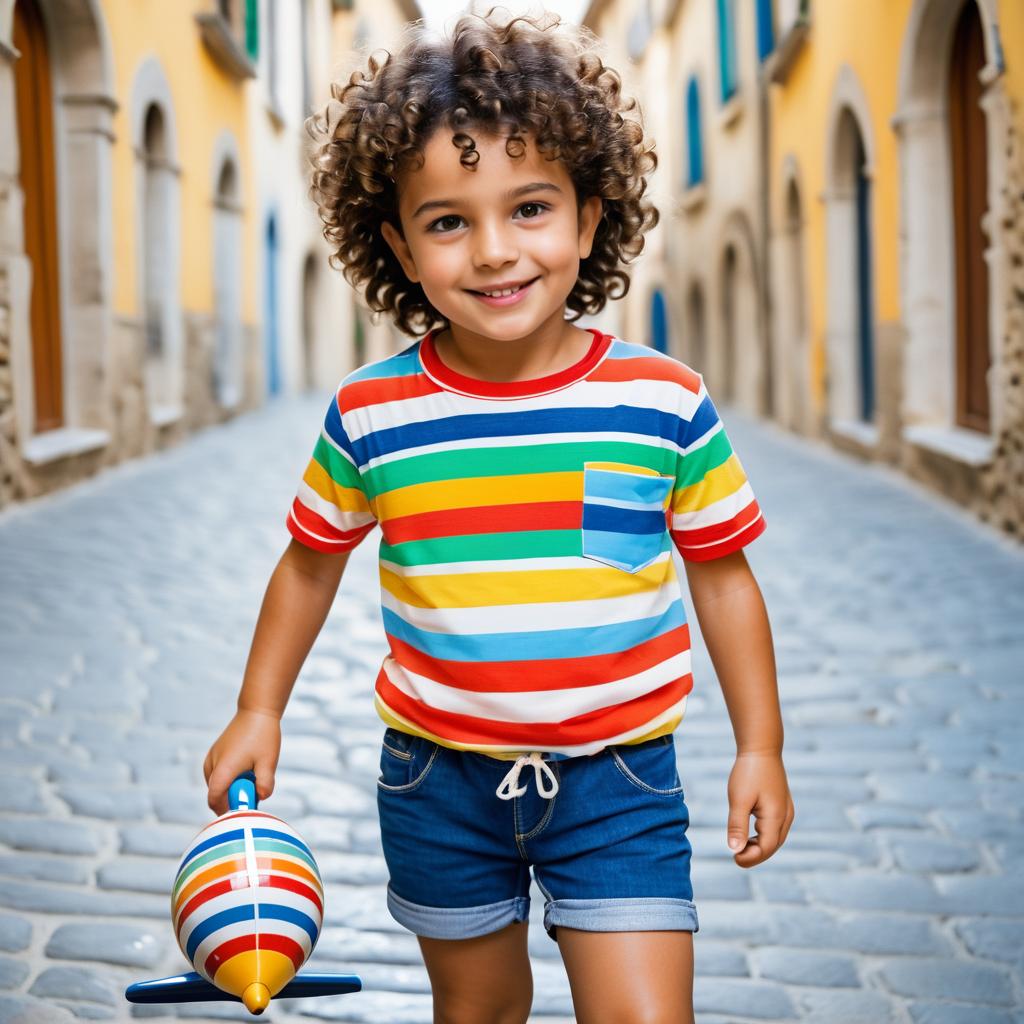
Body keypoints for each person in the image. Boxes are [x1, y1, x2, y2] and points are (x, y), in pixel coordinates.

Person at [203, 8, 794, 1023]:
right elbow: (309, 564)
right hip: (436, 783)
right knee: (477, 1011)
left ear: (589, 217)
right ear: (397, 240)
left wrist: (760, 744)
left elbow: (722, 572)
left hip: (620, 785)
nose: (491, 251)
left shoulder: (662, 401)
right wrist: (260, 709)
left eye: (529, 208)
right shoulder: (370, 414)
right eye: (447, 221)